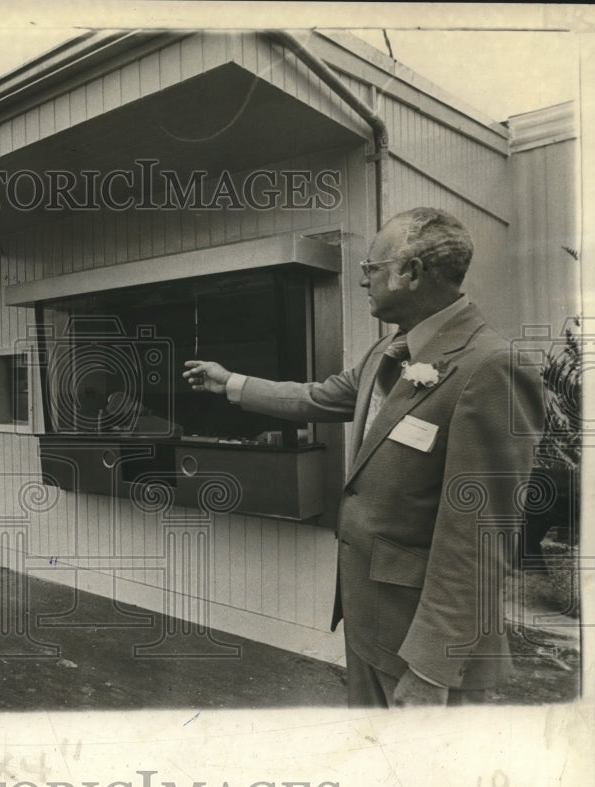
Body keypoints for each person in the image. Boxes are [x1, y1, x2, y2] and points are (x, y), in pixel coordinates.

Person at [183, 207, 544, 707]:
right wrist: (235, 383)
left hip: (424, 645)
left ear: (412, 273)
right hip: (370, 619)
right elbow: (318, 396)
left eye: (371, 269)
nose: (361, 281)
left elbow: (479, 537)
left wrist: (432, 666)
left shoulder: (490, 367)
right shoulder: (386, 352)